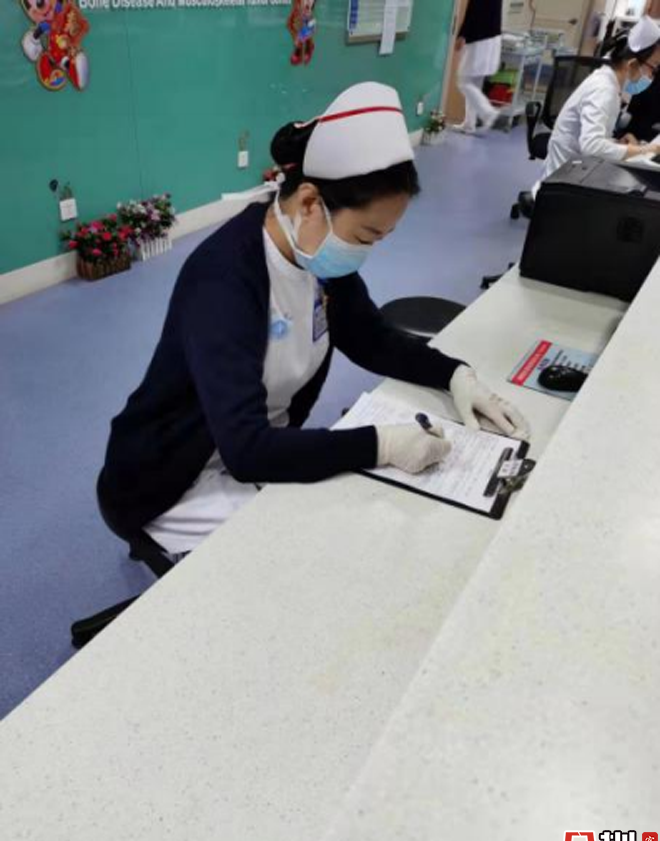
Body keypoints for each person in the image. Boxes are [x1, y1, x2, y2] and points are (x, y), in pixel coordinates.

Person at [97, 82, 529, 556]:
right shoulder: (224, 279)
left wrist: (454, 374)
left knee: (358, 509)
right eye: (364, 236)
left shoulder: (315, 255)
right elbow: (246, 451)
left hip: (253, 447)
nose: (367, 252)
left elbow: (371, 339)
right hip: (172, 480)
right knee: (323, 540)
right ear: (308, 203)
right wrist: (382, 446)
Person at [535, 17, 660, 193]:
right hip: (561, 183)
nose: (652, 75)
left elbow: (594, 138)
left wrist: (619, 144)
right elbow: (591, 146)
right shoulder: (603, 90)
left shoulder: (610, 82)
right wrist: (641, 150)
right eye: (653, 67)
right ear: (632, 64)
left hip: (576, 168)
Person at [453, 0, 503, 135]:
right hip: (491, 37)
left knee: (463, 80)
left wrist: (462, 35)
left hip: (480, 39)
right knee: (474, 83)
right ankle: (469, 124)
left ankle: (488, 112)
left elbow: (474, 11)